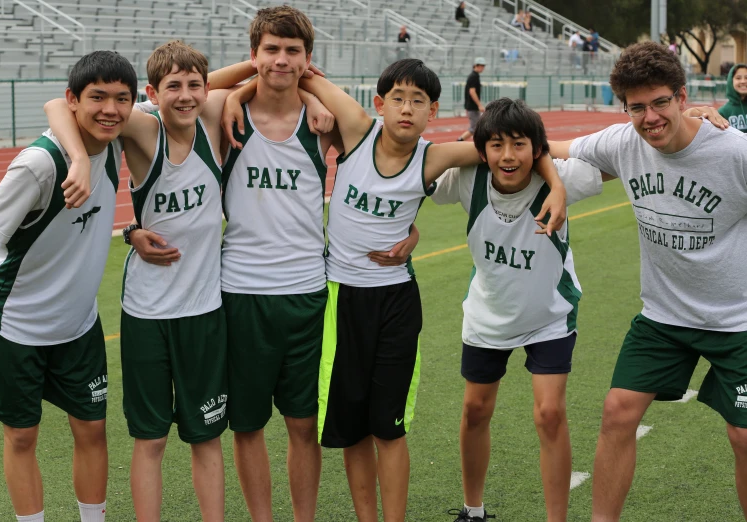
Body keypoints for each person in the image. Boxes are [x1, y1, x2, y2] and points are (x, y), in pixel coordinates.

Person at [298, 58, 567, 522]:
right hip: (342, 297)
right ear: (379, 103)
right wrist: (302, 96)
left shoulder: (435, 157)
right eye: (398, 99)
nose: (406, 109)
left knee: (390, 427)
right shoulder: (357, 128)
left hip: (397, 301)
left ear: (434, 110)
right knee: (352, 430)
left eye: (418, 101)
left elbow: (521, 147)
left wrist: (557, 183)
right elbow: (295, 73)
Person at [43, 42, 275, 521]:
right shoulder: (144, 128)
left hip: (205, 311)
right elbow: (55, 105)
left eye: (195, 86)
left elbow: (263, 73)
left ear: (207, 88)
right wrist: (82, 163)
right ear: (152, 93)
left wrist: (248, 80)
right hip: (147, 313)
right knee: (149, 440)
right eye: (173, 87)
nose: (186, 96)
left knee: (206, 437)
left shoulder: (212, 116)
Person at [218, 7, 420, 521]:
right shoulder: (225, 114)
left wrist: (308, 89)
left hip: (312, 292)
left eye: (293, 51)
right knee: (247, 425)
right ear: (253, 54)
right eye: (270, 50)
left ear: (309, 60)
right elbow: (183, 89)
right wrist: (247, 85)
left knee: (304, 423)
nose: (281, 59)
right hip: (241, 292)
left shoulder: (323, 125)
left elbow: (375, 162)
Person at [550, 41, 747, 521]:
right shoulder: (623, 142)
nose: (650, 117)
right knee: (617, 413)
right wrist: (555, 184)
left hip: (737, 319)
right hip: (664, 316)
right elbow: (547, 147)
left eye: (660, 102)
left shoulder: (735, 154)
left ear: (683, 97)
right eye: (637, 107)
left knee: (743, 435)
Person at [0, 50, 137, 522]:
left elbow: (194, 82)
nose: (110, 109)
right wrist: (75, 157)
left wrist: (267, 71)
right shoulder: (38, 165)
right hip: (16, 323)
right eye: (96, 97)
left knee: (92, 429)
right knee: (21, 435)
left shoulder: (118, 140)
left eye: (122, 99)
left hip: (79, 324)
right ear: (73, 100)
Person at [434, 98, 609, 522]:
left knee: (550, 414)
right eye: (496, 145)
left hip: (550, 314)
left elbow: (622, 156)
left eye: (519, 144)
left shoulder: (561, 179)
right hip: (488, 315)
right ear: (481, 151)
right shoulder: (465, 179)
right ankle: (472, 510)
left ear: (538, 149)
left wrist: (689, 120)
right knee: (475, 410)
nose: (508, 156)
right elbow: (409, 171)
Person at [458, 57, 486, 142]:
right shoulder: (474, 76)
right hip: (472, 107)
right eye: (482, 66)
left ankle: (460, 141)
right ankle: (460, 141)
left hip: (471, 106)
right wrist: (479, 105)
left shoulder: (474, 76)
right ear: (477, 66)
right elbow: (472, 92)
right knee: (475, 128)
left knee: (476, 128)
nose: (483, 68)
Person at [718, 63, 747, 132]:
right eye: (738, 78)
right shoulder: (722, 112)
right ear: (731, 81)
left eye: (746, 78)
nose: (743, 81)